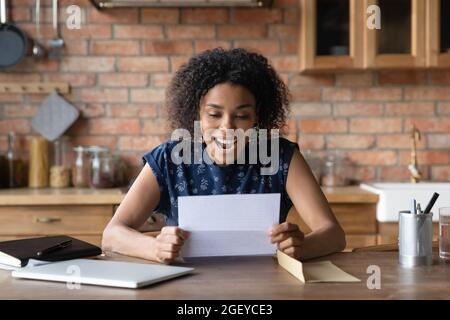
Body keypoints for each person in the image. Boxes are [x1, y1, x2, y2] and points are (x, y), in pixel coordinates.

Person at [102, 48, 346, 264]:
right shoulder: (170, 158)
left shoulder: (281, 157)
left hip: (265, 287)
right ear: (196, 115)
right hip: (183, 287)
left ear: (257, 117)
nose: (227, 128)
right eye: (214, 115)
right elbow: (112, 235)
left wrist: (300, 246)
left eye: (241, 116)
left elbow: (333, 234)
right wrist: (155, 247)